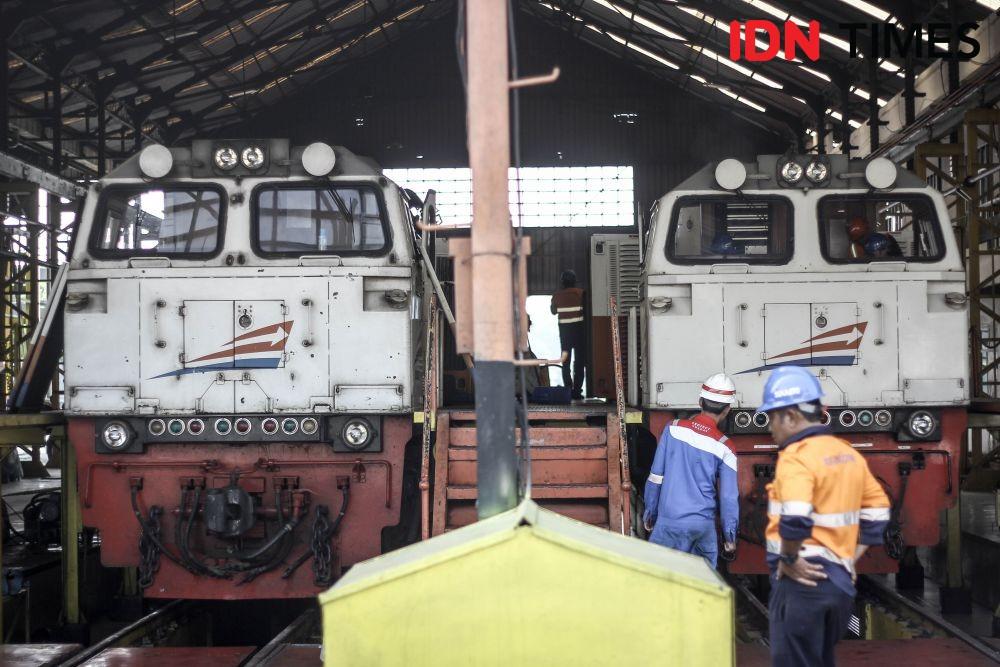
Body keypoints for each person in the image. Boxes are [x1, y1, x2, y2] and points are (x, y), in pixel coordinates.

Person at [757, 366, 891, 667]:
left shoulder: (796, 457)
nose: (770, 429)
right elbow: (879, 513)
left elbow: (795, 518)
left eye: (772, 418)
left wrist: (789, 560)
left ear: (791, 416)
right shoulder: (848, 454)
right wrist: (850, 560)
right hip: (840, 588)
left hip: (801, 586)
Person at [643, 373, 739, 567]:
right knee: (703, 587)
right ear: (727, 409)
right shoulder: (726, 447)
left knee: (658, 580)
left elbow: (655, 477)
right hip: (702, 528)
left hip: (668, 523)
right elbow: (729, 497)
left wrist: (650, 513)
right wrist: (730, 537)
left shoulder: (672, 429)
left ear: (700, 402)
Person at [550, 270, 586, 399]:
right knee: (579, 362)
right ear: (575, 281)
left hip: (565, 334)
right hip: (579, 332)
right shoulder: (581, 293)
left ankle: (568, 390)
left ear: (562, 282)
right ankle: (577, 391)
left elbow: (553, 311)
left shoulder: (557, 296)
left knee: (566, 361)